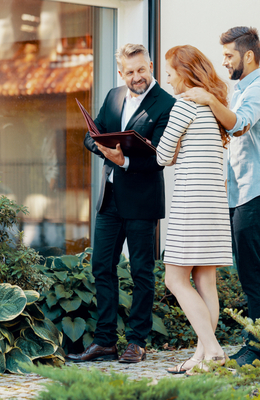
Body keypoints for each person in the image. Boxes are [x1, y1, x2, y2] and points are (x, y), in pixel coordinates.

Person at [66, 44, 175, 363]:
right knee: (102, 267)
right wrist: (104, 150)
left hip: (142, 200)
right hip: (110, 199)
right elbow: (91, 135)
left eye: (142, 70)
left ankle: (137, 342)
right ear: (120, 73)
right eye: (130, 72)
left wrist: (125, 160)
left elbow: (160, 159)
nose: (137, 77)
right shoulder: (113, 96)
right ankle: (104, 341)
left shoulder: (165, 104)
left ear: (151, 66)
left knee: (142, 271)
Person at [182, 26, 260, 367]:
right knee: (246, 271)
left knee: (254, 272)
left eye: (229, 55)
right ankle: (253, 343)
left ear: (248, 55)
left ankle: (258, 349)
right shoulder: (240, 90)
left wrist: (209, 99)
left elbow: (238, 124)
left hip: (259, 192)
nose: (223, 61)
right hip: (240, 195)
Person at [156, 45, 233, 374]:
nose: (167, 78)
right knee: (206, 280)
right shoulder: (212, 109)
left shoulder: (183, 105)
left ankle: (213, 350)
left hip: (191, 201)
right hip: (214, 201)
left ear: (184, 73)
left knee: (175, 279)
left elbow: (161, 156)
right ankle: (202, 357)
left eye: (170, 71)